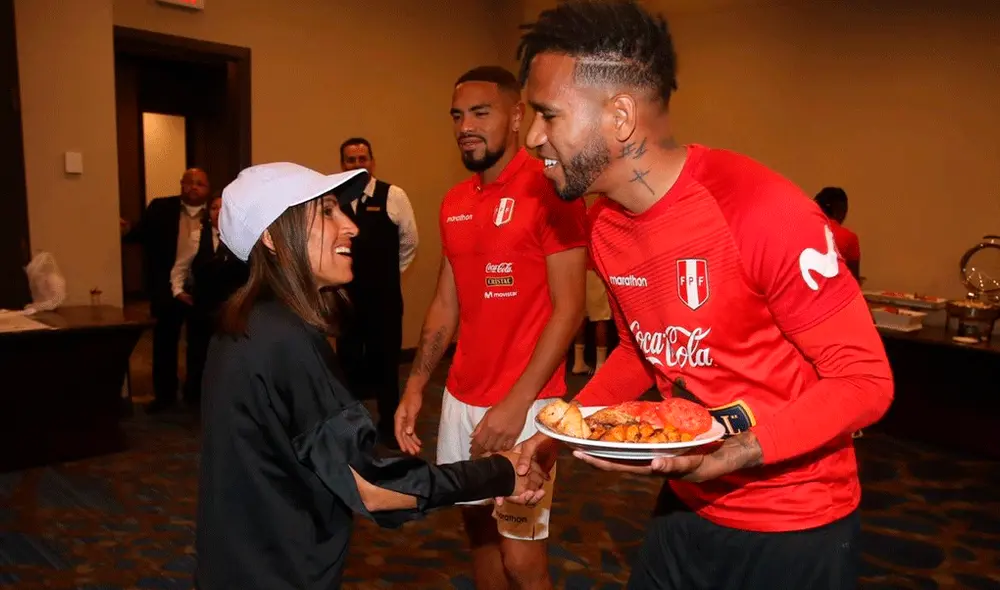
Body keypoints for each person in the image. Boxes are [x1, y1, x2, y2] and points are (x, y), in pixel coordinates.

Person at [512, 2, 894, 589]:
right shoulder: (607, 227)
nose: (532, 136)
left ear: (619, 116)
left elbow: (865, 380)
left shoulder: (761, 211)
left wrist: (743, 450)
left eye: (547, 115)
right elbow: (644, 350)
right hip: (687, 507)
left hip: (796, 524)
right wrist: (558, 432)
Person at [194, 162, 549, 590]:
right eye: (326, 212)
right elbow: (372, 486)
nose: (351, 227)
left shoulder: (247, 324)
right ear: (271, 236)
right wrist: (501, 472)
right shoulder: (284, 340)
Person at [394, 66, 587, 590]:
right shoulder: (455, 202)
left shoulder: (552, 190)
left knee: (523, 561)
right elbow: (443, 304)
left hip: (525, 403)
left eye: (481, 113)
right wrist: (415, 386)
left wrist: (517, 404)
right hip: (462, 398)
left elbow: (570, 309)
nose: (465, 126)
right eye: (458, 116)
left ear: (518, 115)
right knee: (479, 537)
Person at [336, 137, 419, 445]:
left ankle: (389, 427)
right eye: (350, 160)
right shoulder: (335, 199)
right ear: (342, 164)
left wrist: (386, 273)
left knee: (385, 363)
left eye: (362, 159)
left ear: (372, 161)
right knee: (347, 362)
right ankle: (348, 427)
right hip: (345, 300)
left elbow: (410, 241)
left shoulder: (392, 195)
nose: (357, 165)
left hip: (383, 299)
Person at [122, 168, 211, 412]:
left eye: (200, 184)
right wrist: (126, 229)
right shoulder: (161, 208)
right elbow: (140, 234)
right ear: (181, 185)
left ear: (208, 188)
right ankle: (165, 397)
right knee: (164, 343)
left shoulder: (216, 212)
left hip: (201, 290)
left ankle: (195, 394)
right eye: (189, 182)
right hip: (165, 288)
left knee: (199, 344)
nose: (194, 187)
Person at [170, 193, 250, 403]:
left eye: (223, 208)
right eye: (214, 208)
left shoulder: (243, 238)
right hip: (203, 306)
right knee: (199, 353)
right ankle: (196, 397)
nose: (218, 212)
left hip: (231, 307)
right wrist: (178, 290)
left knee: (230, 353)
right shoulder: (197, 236)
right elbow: (181, 266)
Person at [571, 195, 613, 375]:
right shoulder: (602, 212)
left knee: (583, 317)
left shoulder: (583, 212)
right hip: (595, 269)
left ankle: (579, 361)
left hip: (579, 270)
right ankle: (601, 365)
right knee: (601, 318)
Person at [815, 186, 862, 280]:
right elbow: (853, 280)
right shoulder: (849, 238)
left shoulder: (802, 231)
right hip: (835, 293)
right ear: (841, 210)